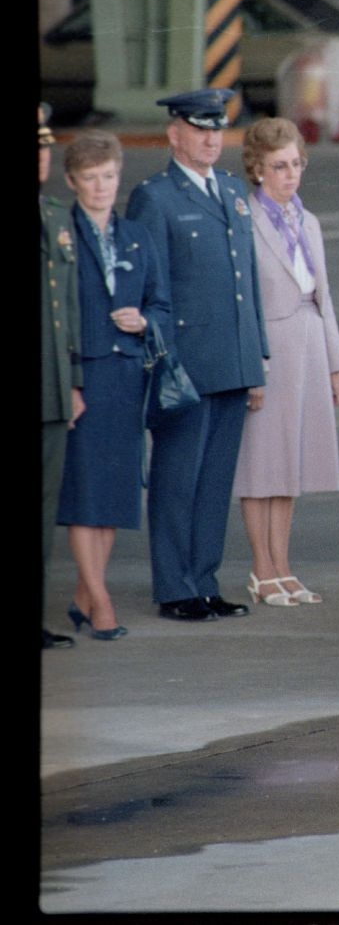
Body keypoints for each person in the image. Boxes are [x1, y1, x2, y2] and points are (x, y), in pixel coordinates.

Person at [126, 88, 268, 622]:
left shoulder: (231, 190)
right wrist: (163, 360)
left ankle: (204, 581)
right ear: (175, 134)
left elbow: (246, 283)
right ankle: (174, 587)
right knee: (176, 479)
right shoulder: (155, 197)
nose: (212, 139)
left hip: (231, 360)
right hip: (183, 364)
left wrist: (257, 358)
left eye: (217, 129)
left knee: (214, 484)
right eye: (201, 129)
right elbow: (150, 289)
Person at [55, 131, 170, 641]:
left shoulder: (136, 236)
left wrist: (144, 321)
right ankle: (100, 601)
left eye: (109, 176)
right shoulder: (61, 237)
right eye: (90, 178)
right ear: (71, 181)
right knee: (84, 491)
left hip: (127, 376)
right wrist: (69, 384)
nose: (101, 187)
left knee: (113, 493)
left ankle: (86, 592)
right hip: (83, 375)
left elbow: (161, 302)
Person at [232, 118, 339, 607]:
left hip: (309, 341)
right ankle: (262, 568)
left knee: (292, 464)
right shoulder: (244, 220)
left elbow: (324, 296)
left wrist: (335, 364)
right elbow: (242, 301)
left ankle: (283, 564)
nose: (290, 174)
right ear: (258, 169)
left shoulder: (308, 220)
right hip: (271, 347)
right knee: (262, 465)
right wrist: (249, 365)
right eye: (279, 166)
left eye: (296, 164)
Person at [41, 103, 83, 649]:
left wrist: (71, 380)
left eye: (45, 147)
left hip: (52, 389)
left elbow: (65, 310)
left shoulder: (54, 215)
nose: (42, 157)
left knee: (46, 504)